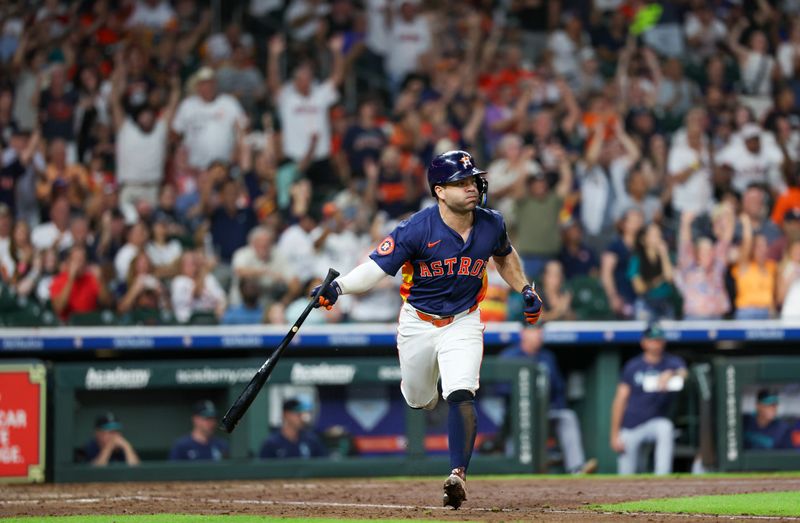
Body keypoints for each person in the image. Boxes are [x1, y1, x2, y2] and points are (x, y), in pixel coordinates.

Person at [308, 150, 543, 509]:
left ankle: (456, 475)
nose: (471, 187)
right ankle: (424, 391)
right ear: (439, 191)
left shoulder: (491, 222)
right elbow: (375, 267)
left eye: (472, 180)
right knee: (418, 398)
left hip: (464, 319)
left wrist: (525, 287)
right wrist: (338, 289)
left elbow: (504, 254)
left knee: (461, 391)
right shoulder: (416, 227)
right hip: (418, 321)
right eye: (460, 183)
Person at [501, 326, 596, 475]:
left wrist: (555, 406)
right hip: (519, 413)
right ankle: (512, 471)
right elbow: (501, 390)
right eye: (535, 331)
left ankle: (576, 468)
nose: (539, 335)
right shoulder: (509, 356)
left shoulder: (547, 357)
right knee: (514, 431)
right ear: (523, 333)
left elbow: (558, 388)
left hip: (546, 411)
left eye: (540, 331)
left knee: (567, 417)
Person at [610, 323, 687, 475]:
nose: (656, 344)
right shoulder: (633, 366)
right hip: (631, 425)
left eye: (659, 340)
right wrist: (614, 435)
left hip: (654, 422)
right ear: (644, 342)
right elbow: (620, 400)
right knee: (625, 474)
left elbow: (684, 372)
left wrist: (670, 374)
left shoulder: (670, 362)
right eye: (652, 340)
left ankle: (662, 477)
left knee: (665, 427)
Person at [259, 398, 328, 459]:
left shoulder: (311, 440)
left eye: (302, 414)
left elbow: (322, 462)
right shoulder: (271, 443)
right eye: (298, 414)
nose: (301, 418)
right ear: (285, 414)